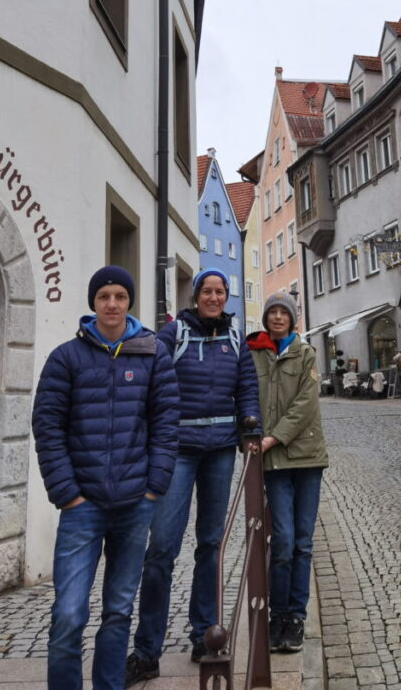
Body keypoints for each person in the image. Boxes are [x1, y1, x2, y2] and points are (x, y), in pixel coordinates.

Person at [32, 266, 180, 690]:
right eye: (104, 296)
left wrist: (154, 488)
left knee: (117, 611)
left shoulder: (153, 354)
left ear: (129, 301)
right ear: (93, 303)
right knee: (68, 615)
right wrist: (68, 494)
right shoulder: (67, 357)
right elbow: (47, 425)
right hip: (83, 507)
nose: (112, 303)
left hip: (135, 504)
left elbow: (166, 424)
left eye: (119, 295)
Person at [125, 268, 260, 686]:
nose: (214, 297)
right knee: (162, 548)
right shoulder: (174, 334)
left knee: (211, 546)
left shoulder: (236, 340)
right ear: (196, 295)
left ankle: (205, 637)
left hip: (220, 450)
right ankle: (147, 650)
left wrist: (250, 426)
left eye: (220, 292)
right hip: (179, 451)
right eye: (207, 291)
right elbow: (152, 376)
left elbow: (247, 386)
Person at [246, 291, 328, 654]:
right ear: (266, 318)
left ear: (293, 318)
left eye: (284, 312)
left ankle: (296, 616)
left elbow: (306, 404)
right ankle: (277, 614)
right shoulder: (253, 354)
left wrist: (272, 438)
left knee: (303, 542)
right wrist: (249, 435)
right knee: (282, 542)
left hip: (306, 457)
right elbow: (246, 398)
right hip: (275, 462)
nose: (277, 317)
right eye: (272, 312)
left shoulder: (306, 352)